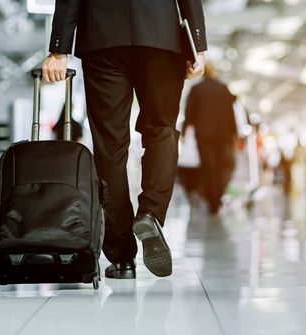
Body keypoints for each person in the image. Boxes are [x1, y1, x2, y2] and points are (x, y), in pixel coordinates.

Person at [41, 0, 207, 279]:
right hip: (160, 35)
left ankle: (121, 258)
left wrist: (59, 48)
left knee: (110, 146)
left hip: (102, 38)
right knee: (161, 130)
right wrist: (198, 43)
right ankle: (150, 213)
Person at [183, 63, 237, 214]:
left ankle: (211, 199)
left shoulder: (196, 89)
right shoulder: (223, 88)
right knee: (220, 167)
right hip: (222, 135)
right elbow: (230, 113)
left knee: (208, 167)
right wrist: (234, 133)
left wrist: (184, 130)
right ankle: (217, 197)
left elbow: (189, 112)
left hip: (204, 134)